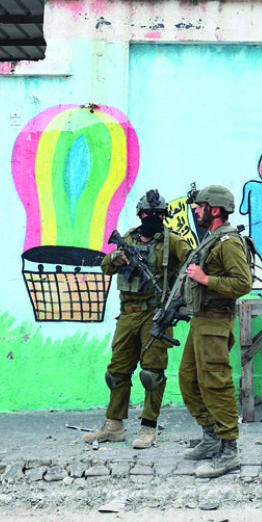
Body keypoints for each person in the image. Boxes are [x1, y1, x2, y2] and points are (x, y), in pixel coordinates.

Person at [84, 190, 189, 449]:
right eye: (147, 214)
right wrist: (116, 257)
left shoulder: (173, 241)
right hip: (127, 314)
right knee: (117, 371)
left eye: (157, 214)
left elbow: (192, 266)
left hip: (155, 314)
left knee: (152, 374)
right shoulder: (128, 238)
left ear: (164, 216)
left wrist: (178, 300)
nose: (151, 217)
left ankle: (148, 428)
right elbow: (106, 267)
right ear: (140, 214)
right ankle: (114, 426)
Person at [176, 185, 253, 478]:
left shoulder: (229, 242)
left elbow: (242, 284)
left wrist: (206, 279)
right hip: (200, 321)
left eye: (201, 206)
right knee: (189, 379)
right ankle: (210, 437)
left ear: (215, 210)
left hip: (215, 322)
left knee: (216, 383)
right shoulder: (211, 240)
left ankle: (229, 450)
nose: (196, 211)